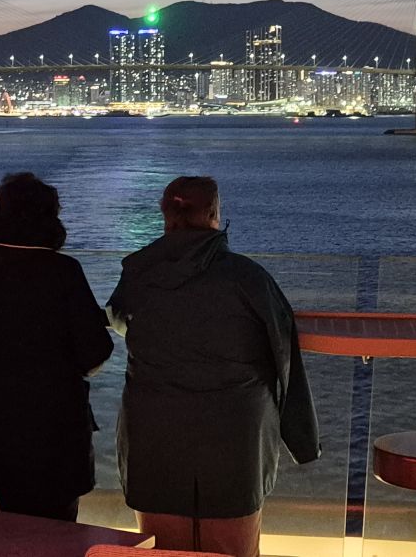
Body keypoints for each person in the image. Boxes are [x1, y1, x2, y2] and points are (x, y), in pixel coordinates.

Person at [107, 176, 319, 557]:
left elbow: (121, 320)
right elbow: (283, 351)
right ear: (213, 215)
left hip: (154, 428)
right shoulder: (247, 277)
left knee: (163, 548)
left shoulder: (138, 272)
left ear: (166, 217)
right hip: (235, 433)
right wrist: (301, 438)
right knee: (231, 548)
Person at [0, 172, 114, 521]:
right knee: (55, 530)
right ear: (50, 217)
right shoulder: (64, 271)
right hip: (54, 428)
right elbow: (94, 350)